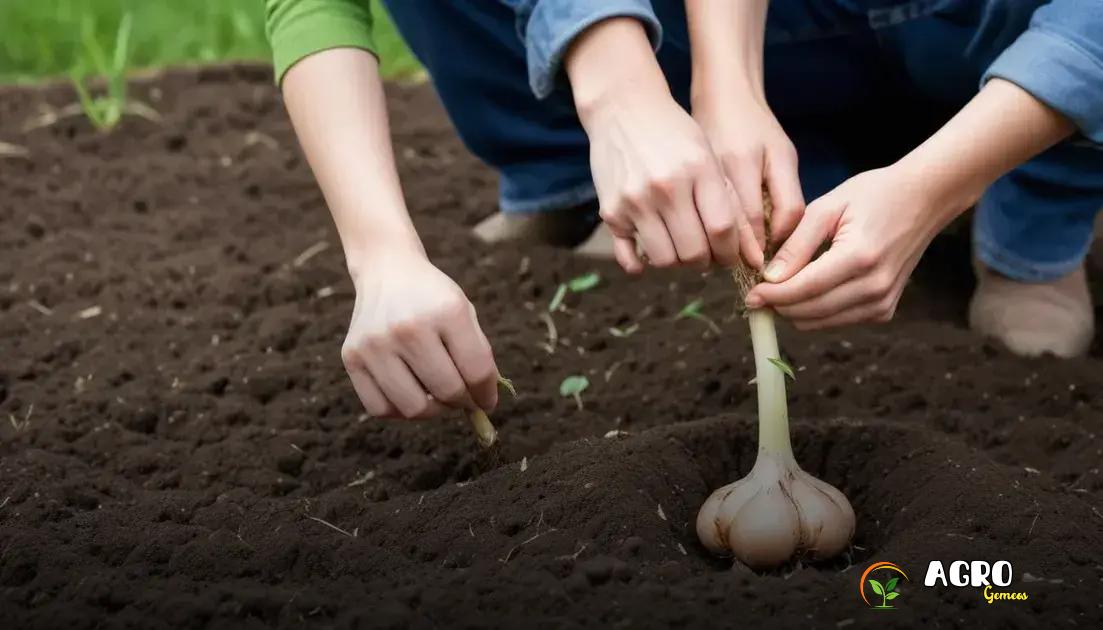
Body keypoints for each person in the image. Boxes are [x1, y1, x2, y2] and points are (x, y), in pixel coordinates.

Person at [264, 0, 1102, 420]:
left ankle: (1030, 224)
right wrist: (690, 89)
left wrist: (929, 190)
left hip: (982, 43)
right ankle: (574, 176)